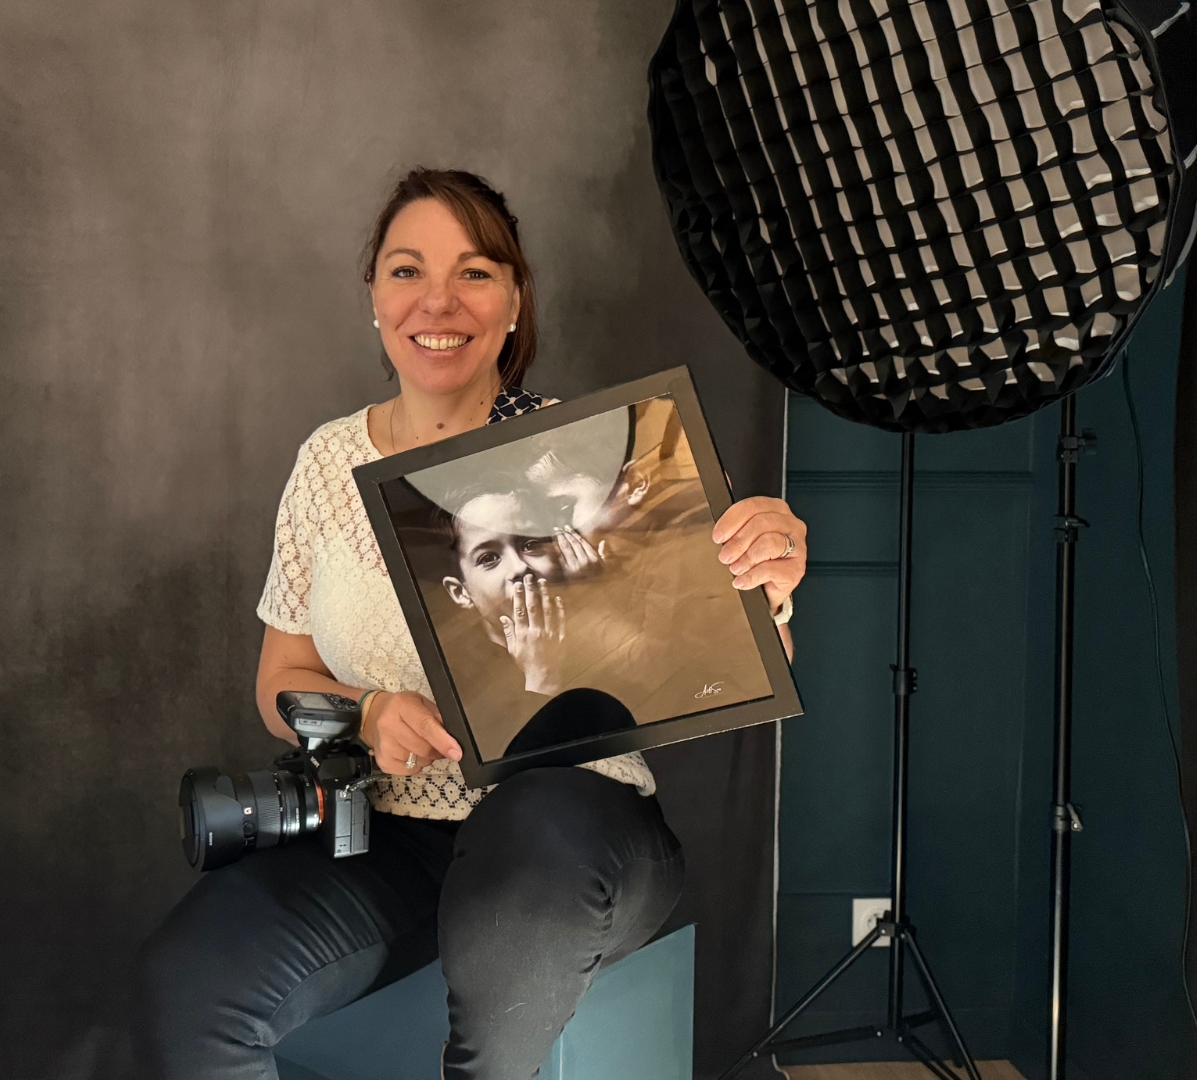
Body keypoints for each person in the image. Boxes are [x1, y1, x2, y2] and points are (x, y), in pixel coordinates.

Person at [132, 168, 810, 1080]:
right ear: (373, 295)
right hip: (386, 832)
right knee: (193, 979)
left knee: (521, 875)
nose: (438, 300)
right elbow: (281, 672)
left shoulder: (588, 460)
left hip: (575, 828)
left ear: (515, 300)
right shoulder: (329, 463)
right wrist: (366, 713)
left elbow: (727, 648)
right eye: (407, 271)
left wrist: (766, 577)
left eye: (476, 272)